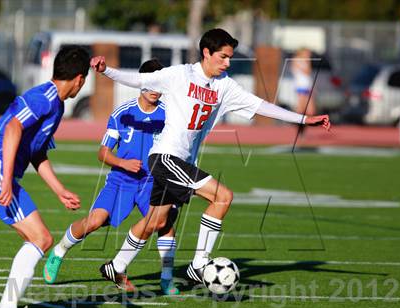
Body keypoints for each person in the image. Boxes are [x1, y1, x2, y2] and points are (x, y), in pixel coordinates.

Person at [90, 28, 331, 286]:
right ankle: (199, 265)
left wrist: (304, 119)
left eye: (230, 58)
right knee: (223, 196)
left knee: (155, 221)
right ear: (207, 53)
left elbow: (262, 106)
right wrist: (106, 70)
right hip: (165, 158)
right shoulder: (180, 75)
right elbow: (139, 80)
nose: (227, 63)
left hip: (180, 162)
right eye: (223, 57)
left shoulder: (224, 86)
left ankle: (116, 266)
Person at [42, 59, 180, 295]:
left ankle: (166, 278)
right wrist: (123, 162)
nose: (156, 90)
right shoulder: (122, 113)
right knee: (94, 221)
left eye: (160, 85)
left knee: (165, 224)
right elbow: (103, 153)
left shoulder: (170, 116)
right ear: (141, 84)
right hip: (120, 181)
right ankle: (59, 251)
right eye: (151, 84)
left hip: (151, 183)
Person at [0, 46, 90, 308]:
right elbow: (12, 127)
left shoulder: (56, 106)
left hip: (0, 170)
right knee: (41, 238)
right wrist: (4, 180)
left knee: (37, 239)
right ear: (80, 80)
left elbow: (37, 153)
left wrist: (59, 190)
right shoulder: (44, 98)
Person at [291, 48, 316, 116]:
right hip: (300, 85)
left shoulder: (306, 61)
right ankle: (299, 122)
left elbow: (309, 71)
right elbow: (306, 71)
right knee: (301, 104)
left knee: (310, 106)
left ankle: (309, 121)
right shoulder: (297, 60)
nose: (309, 55)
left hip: (307, 84)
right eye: (307, 53)